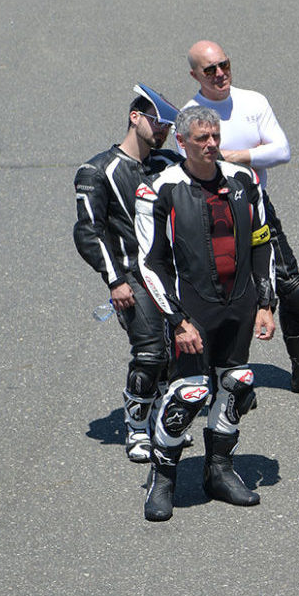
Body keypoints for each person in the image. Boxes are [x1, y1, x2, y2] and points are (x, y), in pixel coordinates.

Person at [134, 106, 279, 521]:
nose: (212, 144)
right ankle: (163, 479)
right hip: (190, 309)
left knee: (236, 382)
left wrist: (266, 303)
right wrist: (177, 321)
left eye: (215, 136)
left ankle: (219, 470)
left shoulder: (243, 180)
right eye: (202, 138)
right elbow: (150, 264)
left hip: (240, 303)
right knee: (190, 392)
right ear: (182, 142)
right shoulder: (160, 189)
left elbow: (261, 241)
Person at [184, 40, 299, 397]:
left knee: (296, 290)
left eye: (224, 64)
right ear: (195, 74)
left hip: (255, 206)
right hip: (207, 213)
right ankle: (214, 380)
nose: (220, 74)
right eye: (209, 70)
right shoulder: (190, 114)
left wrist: (234, 156)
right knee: (217, 298)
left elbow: (282, 150)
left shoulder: (252, 101)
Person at [75, 86, 182, 464]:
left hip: (174, 275)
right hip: (132, 276)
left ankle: (163, 423)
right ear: (135, 117)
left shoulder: (169, 162)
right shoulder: (96, 170)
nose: (163, 130)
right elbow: (88, 230)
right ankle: (136, 429)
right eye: (157, 121)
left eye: (168, 125)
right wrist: (115, 280)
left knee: (177, 356)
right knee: (151, 354)